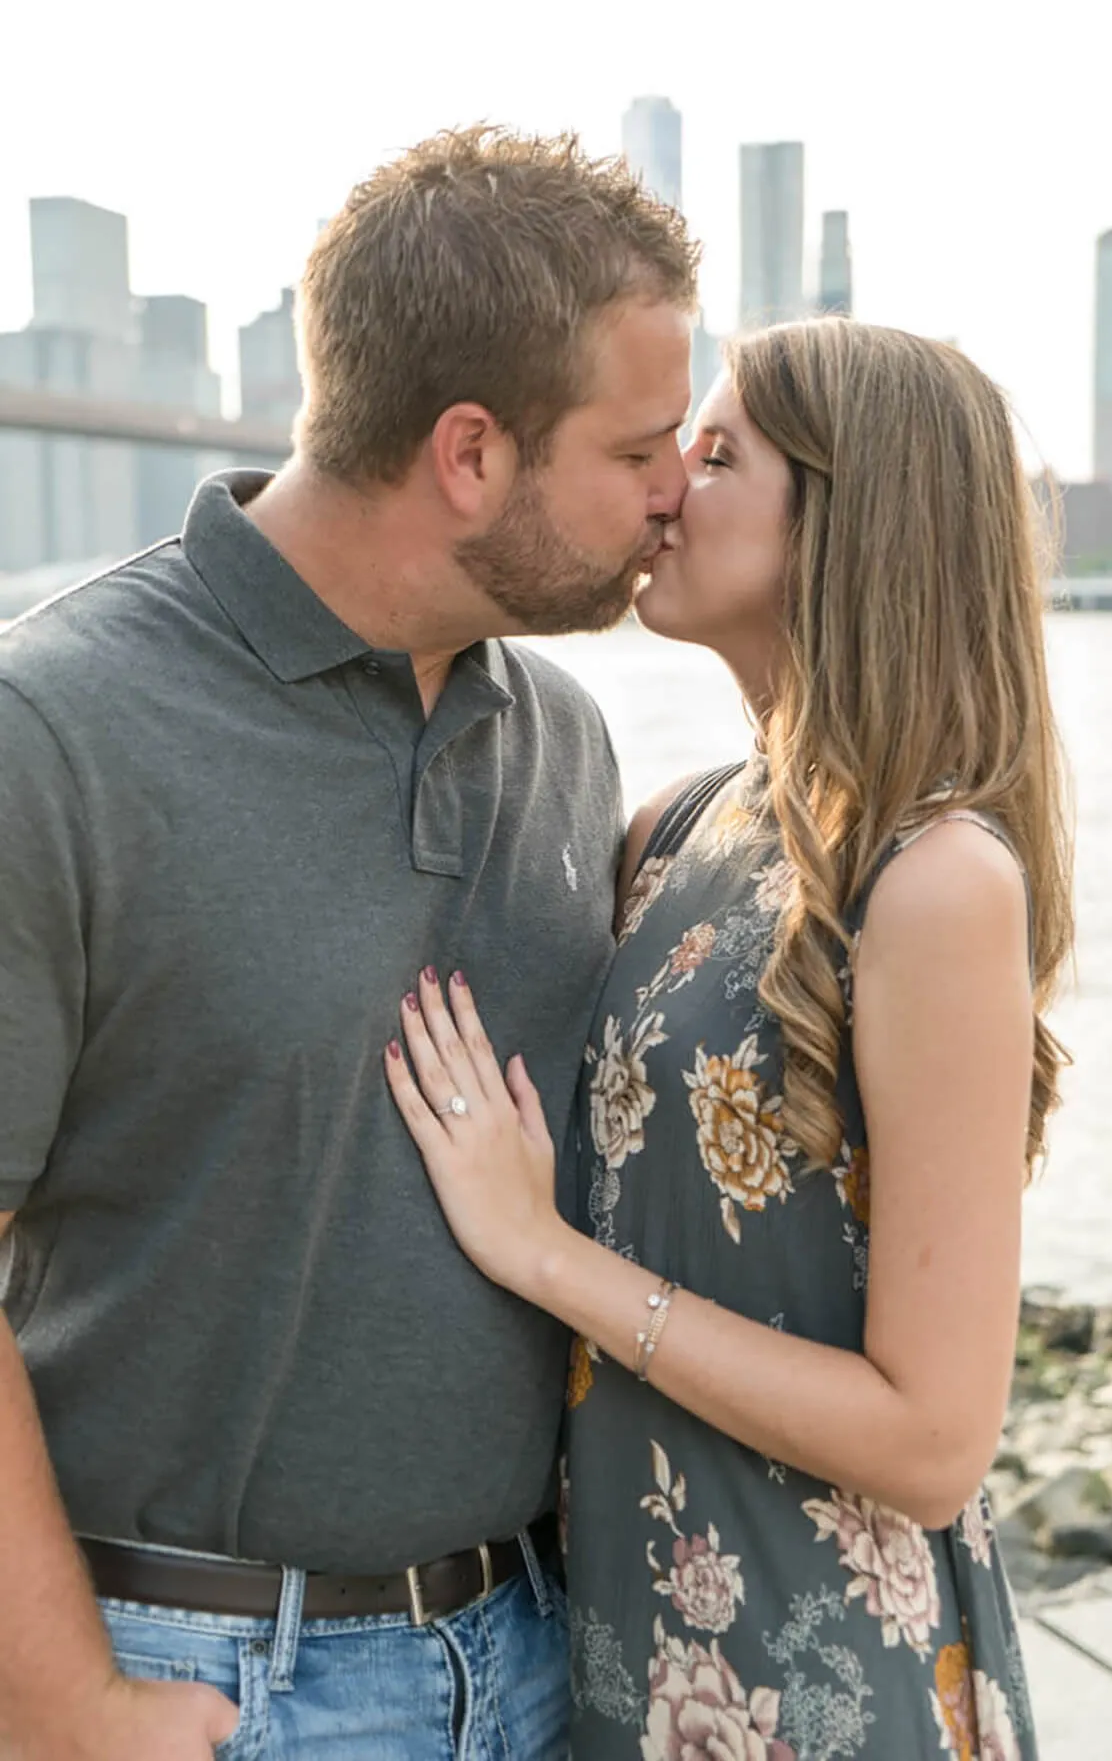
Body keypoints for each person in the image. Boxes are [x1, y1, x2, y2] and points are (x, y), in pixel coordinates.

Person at [0, 127, 697, 1761]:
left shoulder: (567, 740)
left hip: (527, 1659)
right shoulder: (52, 729)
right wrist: (59, 1704)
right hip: (203, 1679)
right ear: (470, 453)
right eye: (641, 446)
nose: (676, 489)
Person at [384, 317, 1074, 1760]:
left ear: (848, 513)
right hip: (620, 1656)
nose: (660, 491)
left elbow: (937, 1442)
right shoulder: (678, 830)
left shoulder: (936, 879)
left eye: (712, 454)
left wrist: (547, 1257)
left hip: (817, 1673)